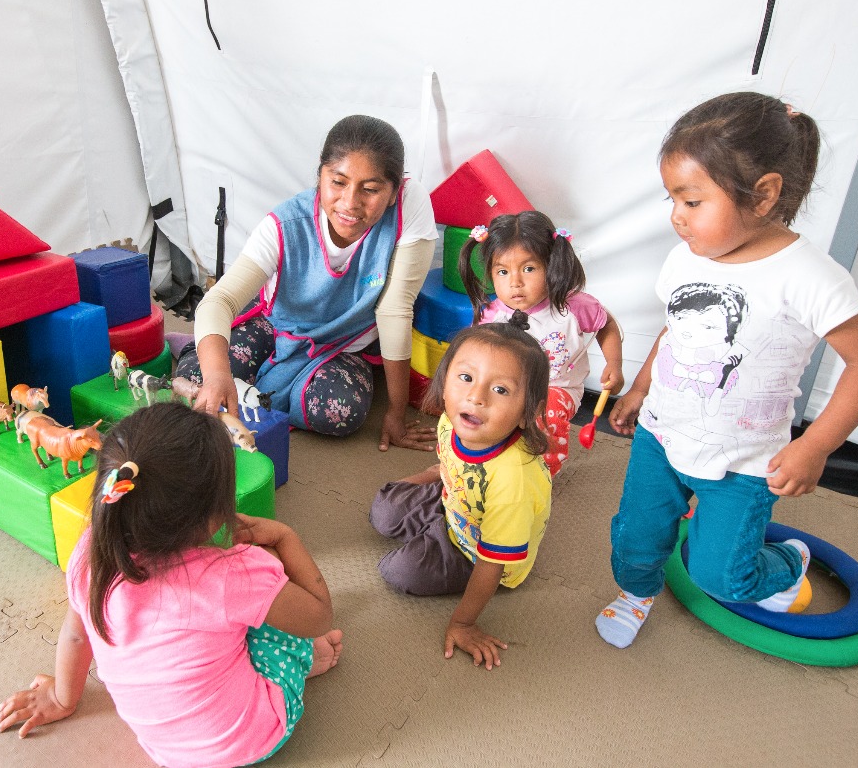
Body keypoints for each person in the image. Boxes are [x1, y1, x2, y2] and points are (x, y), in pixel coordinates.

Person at [595, 92, 858, 649]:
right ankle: (636, 594)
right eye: (672, 199)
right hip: (661, 436)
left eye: (692, 201)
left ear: (763, 194)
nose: (676, 216)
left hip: (744, 461)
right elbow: (674, 330)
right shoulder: (686, 258)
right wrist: (639, 387)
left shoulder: (810, 277)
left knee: (723, 579)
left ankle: (788, 559)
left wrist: (816, 446)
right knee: (634, 539)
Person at [0, 403, 344, 767]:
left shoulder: (90, 554)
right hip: (249, 737)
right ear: (212, 515)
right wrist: (285, 536)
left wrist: (61, 699)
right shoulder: (235, 573)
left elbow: (77, 636)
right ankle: (304, 661)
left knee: (233, 611)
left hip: (165, 749)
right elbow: (320, 615)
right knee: (271, 568)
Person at [175, 114, 438, 451]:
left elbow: (394, 309)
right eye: (338, 182)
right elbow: (219, 301)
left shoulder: (410, 205)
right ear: (320, 175)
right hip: (277, 325)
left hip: (344, 343)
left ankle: (256, 386)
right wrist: (217, 376)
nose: (350, 203)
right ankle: (212, 356)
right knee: (200, 378)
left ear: (393, 192)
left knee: (338, 410)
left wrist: (396, 413)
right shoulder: (285, 225)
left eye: (370, 190)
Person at [370, 319, 552, 670]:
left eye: (500, 390)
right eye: (466, 377)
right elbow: (446, 459)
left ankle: (431, 537)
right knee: (383, 509)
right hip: (454, 500)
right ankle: (429, 524)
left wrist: (463, 623)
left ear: (528, 413)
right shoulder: (454, 420)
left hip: (476, 552)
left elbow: (492, 562)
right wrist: (432, 478)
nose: (476, 397)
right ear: (444, 382)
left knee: (399, 572)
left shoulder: (513, 480)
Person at [458, 210, 624, 475]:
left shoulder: (573, 307)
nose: (515, 283)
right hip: (506, 386)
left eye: (529, 269)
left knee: (546, 414)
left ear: (551, 265)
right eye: (503, 271)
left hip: (558, 388)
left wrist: (614, 364)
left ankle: (542, 473)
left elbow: (606, 324)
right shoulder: (492, 314)